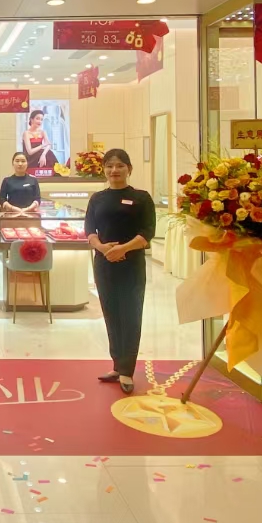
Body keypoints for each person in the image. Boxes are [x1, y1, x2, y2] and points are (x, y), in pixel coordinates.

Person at [85, 148, 157, 395]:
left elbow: (148, 232)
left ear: (129, 169)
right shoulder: (97, 198)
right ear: (104, 170)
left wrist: (123, 249)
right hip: (104, 264)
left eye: (119, 166)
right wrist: (103, 248)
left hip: (131, 264)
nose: (114, 170)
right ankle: (117, 365)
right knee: (111, 313)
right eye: (109, 166)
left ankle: (127, 370)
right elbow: (90, 230)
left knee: (130, 314)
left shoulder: (141, 198)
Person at [0, 151, 42, 215]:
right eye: (17, 161)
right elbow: (2, 200)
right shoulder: (7, 180)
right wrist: (14, 209)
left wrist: (27, 209)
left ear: (27, 163)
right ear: (13, 163)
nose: (20, 164)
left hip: (30, 214)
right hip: (12, 215)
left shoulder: (33, 180)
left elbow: (37, 199)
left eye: (23, 161)